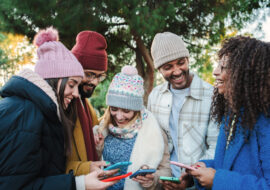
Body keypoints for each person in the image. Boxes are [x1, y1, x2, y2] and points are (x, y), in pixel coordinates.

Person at [0, 27, 117, 190]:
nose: (76, 94)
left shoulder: (41, 111)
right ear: (55, 79)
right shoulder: (25, 113)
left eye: (100, 76)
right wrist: (79, 183)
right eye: (71, 84)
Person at [187, 36, 270, 190]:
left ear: (245, 74)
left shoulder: (265, 120)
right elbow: (226, 165)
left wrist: (217, 181)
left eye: (223, 68)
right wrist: (203, 168)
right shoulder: (232, 115)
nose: (215, 72)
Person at [148, 31, 219, 189]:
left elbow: (216, 147)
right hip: (164, 182)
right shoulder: (155, 97)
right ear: (159, 69)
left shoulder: (211, 95)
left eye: (181, 62)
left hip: (199, 184)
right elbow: (154, 143)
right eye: (168, 67)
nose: (177, 71)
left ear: (188, 59)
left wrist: (191, 178)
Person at [93, 66, 172, 190]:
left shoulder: (154, 131)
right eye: (113, 109)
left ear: (137, 110)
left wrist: (153, 179)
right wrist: (98, 149)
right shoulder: (101, 129)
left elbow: (166, 171)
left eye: (126, 111)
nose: (119, 117)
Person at [66, 31, 109, 175]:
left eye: (99, 76)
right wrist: (85, 168)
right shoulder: (63, 103)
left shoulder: (87, 105)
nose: (95, 82)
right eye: (89, 74)